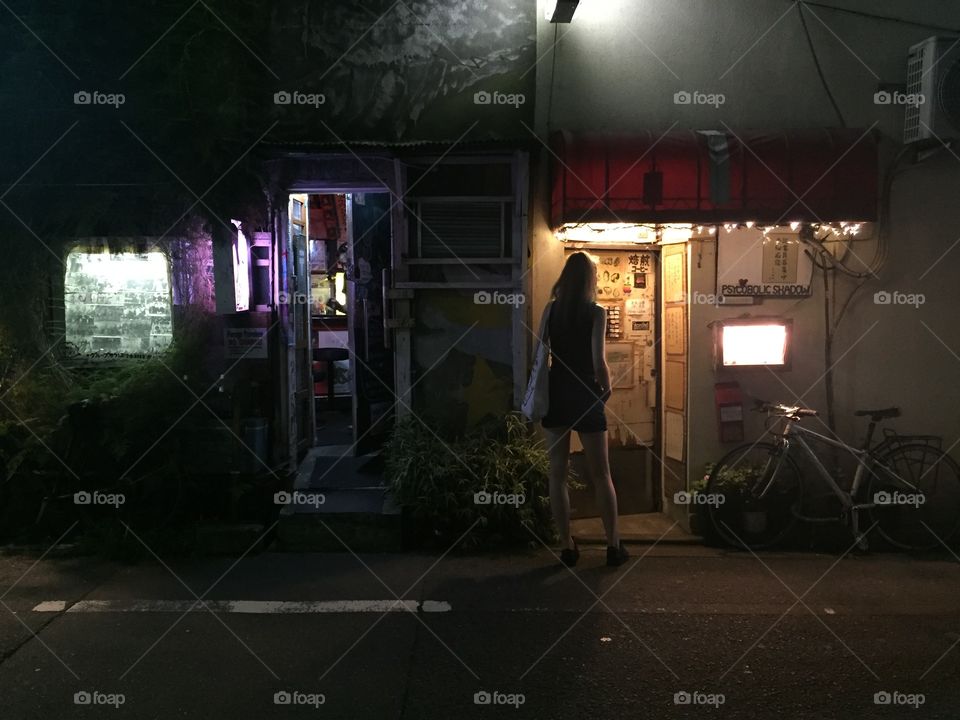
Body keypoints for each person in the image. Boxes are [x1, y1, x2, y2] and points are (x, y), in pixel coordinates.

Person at [537, 252, 629, 568]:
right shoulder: (596, 312)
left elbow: (540, 352)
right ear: (590, 280)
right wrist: (607, 388)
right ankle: (614, 546)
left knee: (557, 474)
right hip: (586, 393)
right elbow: (597, 360)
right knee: (601, 474)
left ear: (565, 277)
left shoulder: (551, 311)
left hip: (557, 392)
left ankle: (566, 546)